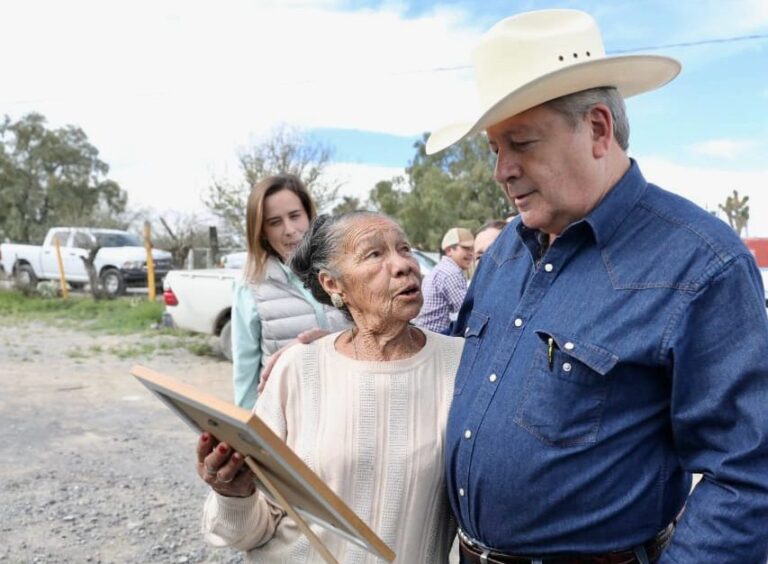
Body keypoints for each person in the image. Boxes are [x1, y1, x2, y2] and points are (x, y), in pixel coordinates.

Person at [426, 9, 768, 564]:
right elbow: (461, 376)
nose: (501, 170)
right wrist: (349, 354)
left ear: (598, 129)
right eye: (495, 148)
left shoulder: (700, 263)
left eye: (521, 143)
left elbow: (751, 474)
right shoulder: (506, 251)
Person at [196, 212, 464, 562]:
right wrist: (234, 493)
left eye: (404, 248)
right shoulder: (298, 368)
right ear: (333, 284)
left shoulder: (459, 363)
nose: (403, 265)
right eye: (374, 254)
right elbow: (248, 532)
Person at [231, 174, 349, 409]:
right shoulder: (250, 285)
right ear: (261, 231)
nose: (289, 229)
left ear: (309, 216)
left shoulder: (343, 271)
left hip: (346, 409)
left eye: (295, 216)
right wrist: (249, 437)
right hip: (287, 420)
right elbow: (245, 372)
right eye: (274, 222)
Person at [414, 227, 474, 333]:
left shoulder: (441, 269)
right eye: (466, 248)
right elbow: (468, 310)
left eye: (471, 249)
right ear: (449, 250)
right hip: (436, 338)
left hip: (425, 333)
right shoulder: (452, 273)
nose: (471, 254)